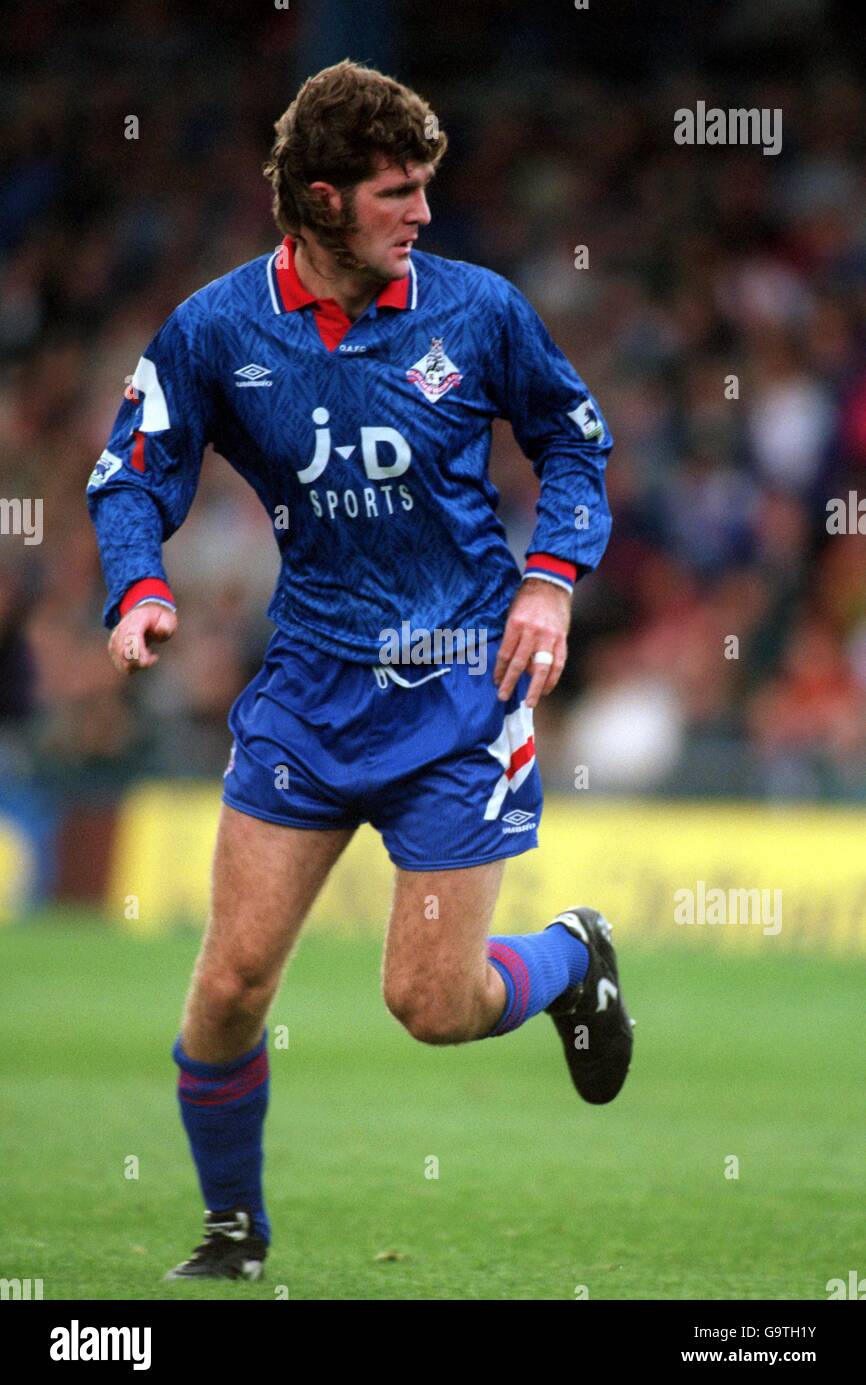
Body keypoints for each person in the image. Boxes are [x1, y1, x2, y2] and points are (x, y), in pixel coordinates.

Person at [87, 59, 633, 1283]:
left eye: (427, 188)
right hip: (310, 694)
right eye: (399, 192)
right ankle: (233, 1232)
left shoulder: (479, 310)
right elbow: (132, 471)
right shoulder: (218, 328)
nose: (424, 215)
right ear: (322, 201)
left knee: (431, 1006)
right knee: (228, 982)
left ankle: (571, 956)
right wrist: (141, 585)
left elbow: (575, 442)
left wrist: (549, 578)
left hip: (459, 694)